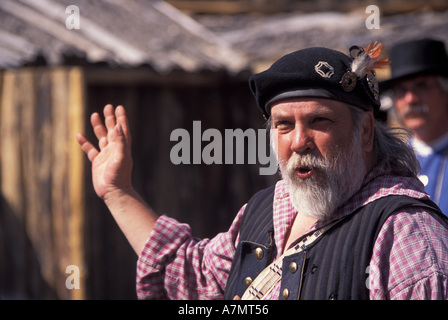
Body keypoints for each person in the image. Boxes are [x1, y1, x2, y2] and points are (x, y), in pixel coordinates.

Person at [77, 42, 448, 300]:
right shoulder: (267, 210)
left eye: (319, 121)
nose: (298, 140)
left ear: (365, 131)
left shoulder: (407, 234)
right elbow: (193, 278)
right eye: (283, 125)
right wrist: (118, 192)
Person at [383, 38, 448, 215]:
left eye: (422, 86)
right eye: (401, 90)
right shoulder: (389, 164)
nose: (410, 99)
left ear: (445, 91)